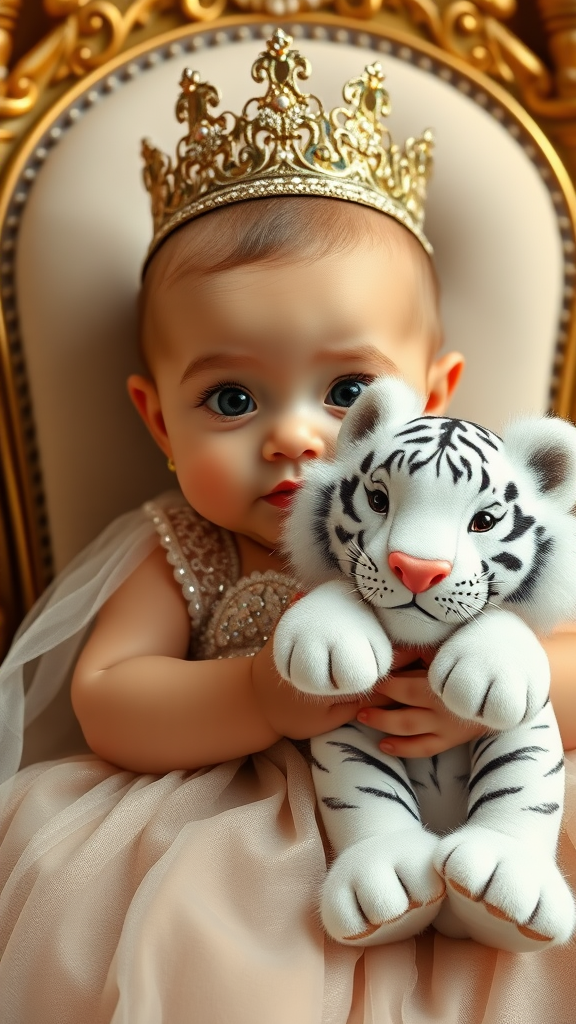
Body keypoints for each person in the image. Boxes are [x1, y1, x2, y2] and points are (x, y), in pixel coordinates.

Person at [0, 30, 575, 1024]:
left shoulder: (484, 530)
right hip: (234, 836)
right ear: (157, 421)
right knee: (217, 956)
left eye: (349, 388)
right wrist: (259, 693)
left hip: (477, 800)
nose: (297, 435)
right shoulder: (182, 542)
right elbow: (107, 700)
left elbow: (569, 654)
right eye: (230, 398)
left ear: (434, 397)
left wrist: (498, 688)